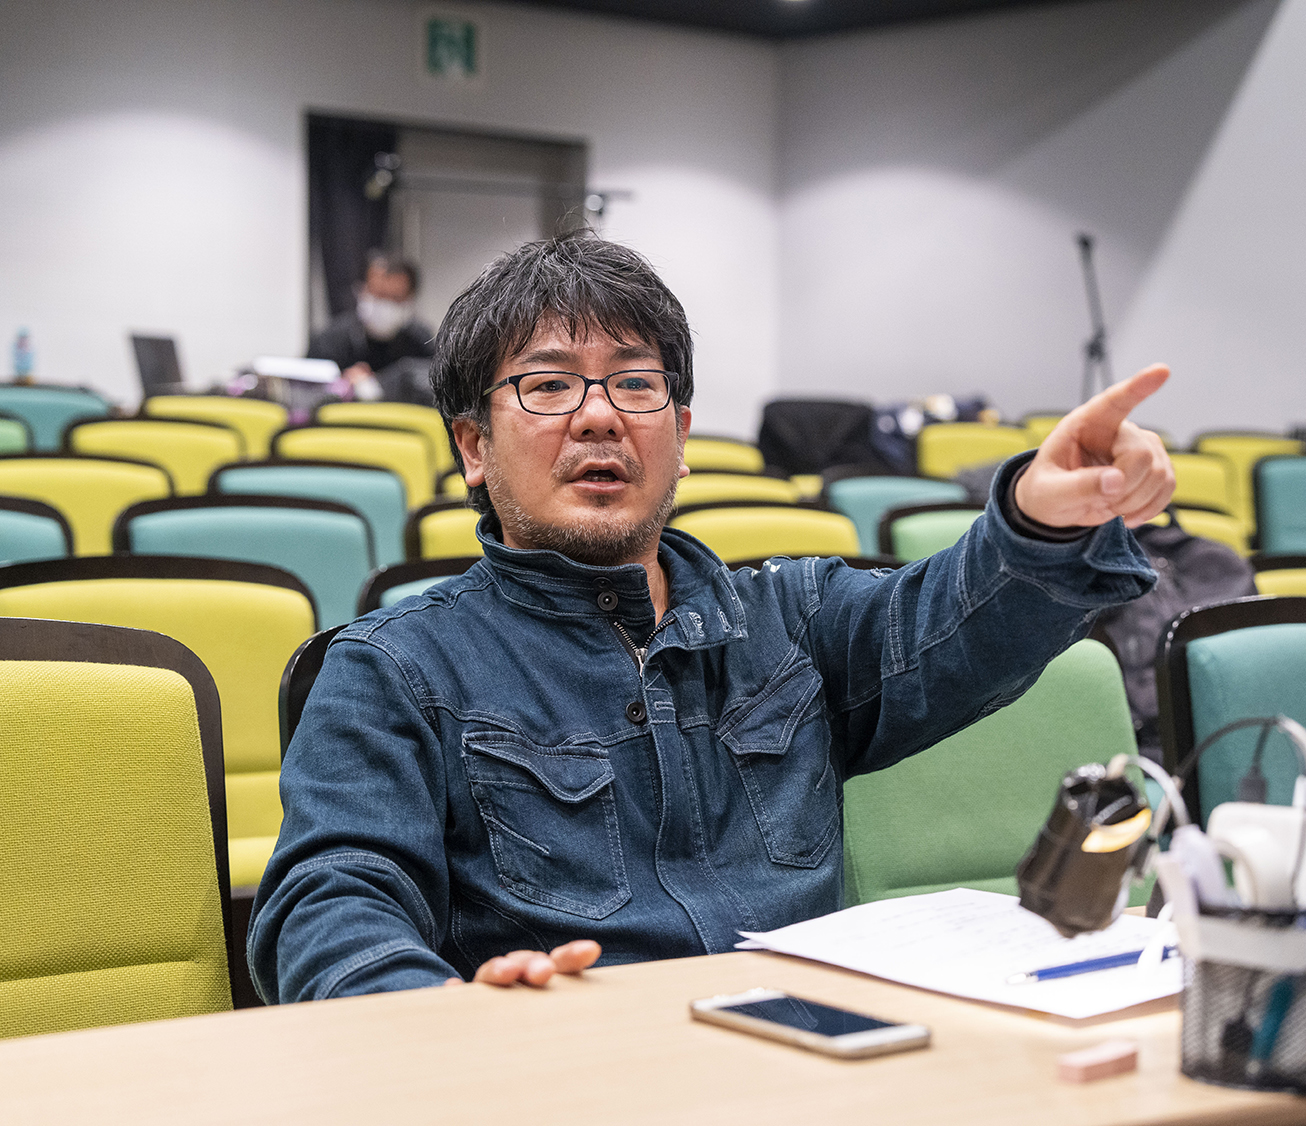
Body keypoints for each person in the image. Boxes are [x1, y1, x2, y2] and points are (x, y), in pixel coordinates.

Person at [250, 232, 1174, 1002]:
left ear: (681, 437)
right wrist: (442, 1018)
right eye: (549, 386)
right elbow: (330, 908)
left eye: (634, 383)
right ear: (473, 448)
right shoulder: (394, 669)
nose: (599, 417)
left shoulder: (791, 620)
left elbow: (952, 622)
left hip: (809, 1068)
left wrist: (1045, 520)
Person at [308, 252, 436, 403]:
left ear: (410, 298)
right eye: (379, 296)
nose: (385, 306)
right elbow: (306, 388)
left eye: (395, 298)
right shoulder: (332, 340)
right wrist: (340, 383)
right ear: (362, 290)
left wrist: (379, 384)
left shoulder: (421, 341)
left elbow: (436, 385)